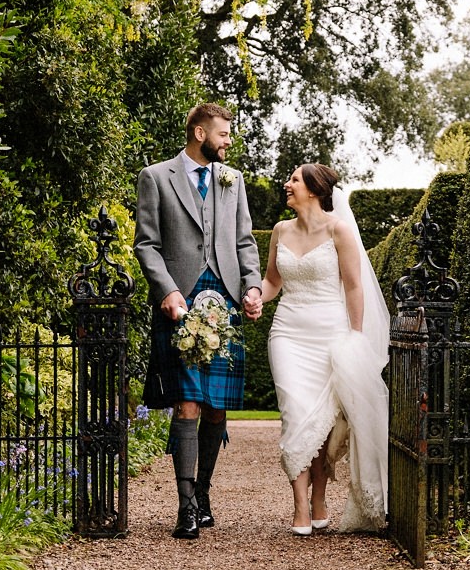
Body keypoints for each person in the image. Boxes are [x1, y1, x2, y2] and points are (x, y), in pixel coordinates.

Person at [134, 103, 264, 540]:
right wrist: (167, 291)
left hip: (225, 298)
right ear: (199, 132)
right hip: (182, 298)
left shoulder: (233, 181)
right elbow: (147, 244)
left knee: (216, 406)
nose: (229, 141)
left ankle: (204, 493)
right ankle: (185, 504)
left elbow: (245, 241)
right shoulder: (156, 177)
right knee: (187, 401)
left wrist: (251, 287)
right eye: (223, 134)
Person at [260, 163, 390, 535]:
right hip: (287, 333)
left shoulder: (339, 230)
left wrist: (355, 335)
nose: (287, 184)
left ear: (315, 190)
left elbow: (353, 286)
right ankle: (300, 506)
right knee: (296, 414)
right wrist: (255, 297)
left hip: (329, 333)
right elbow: (272, 281)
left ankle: (319, 499)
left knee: (323, 423)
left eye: (294, 180)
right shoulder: (280, 231)